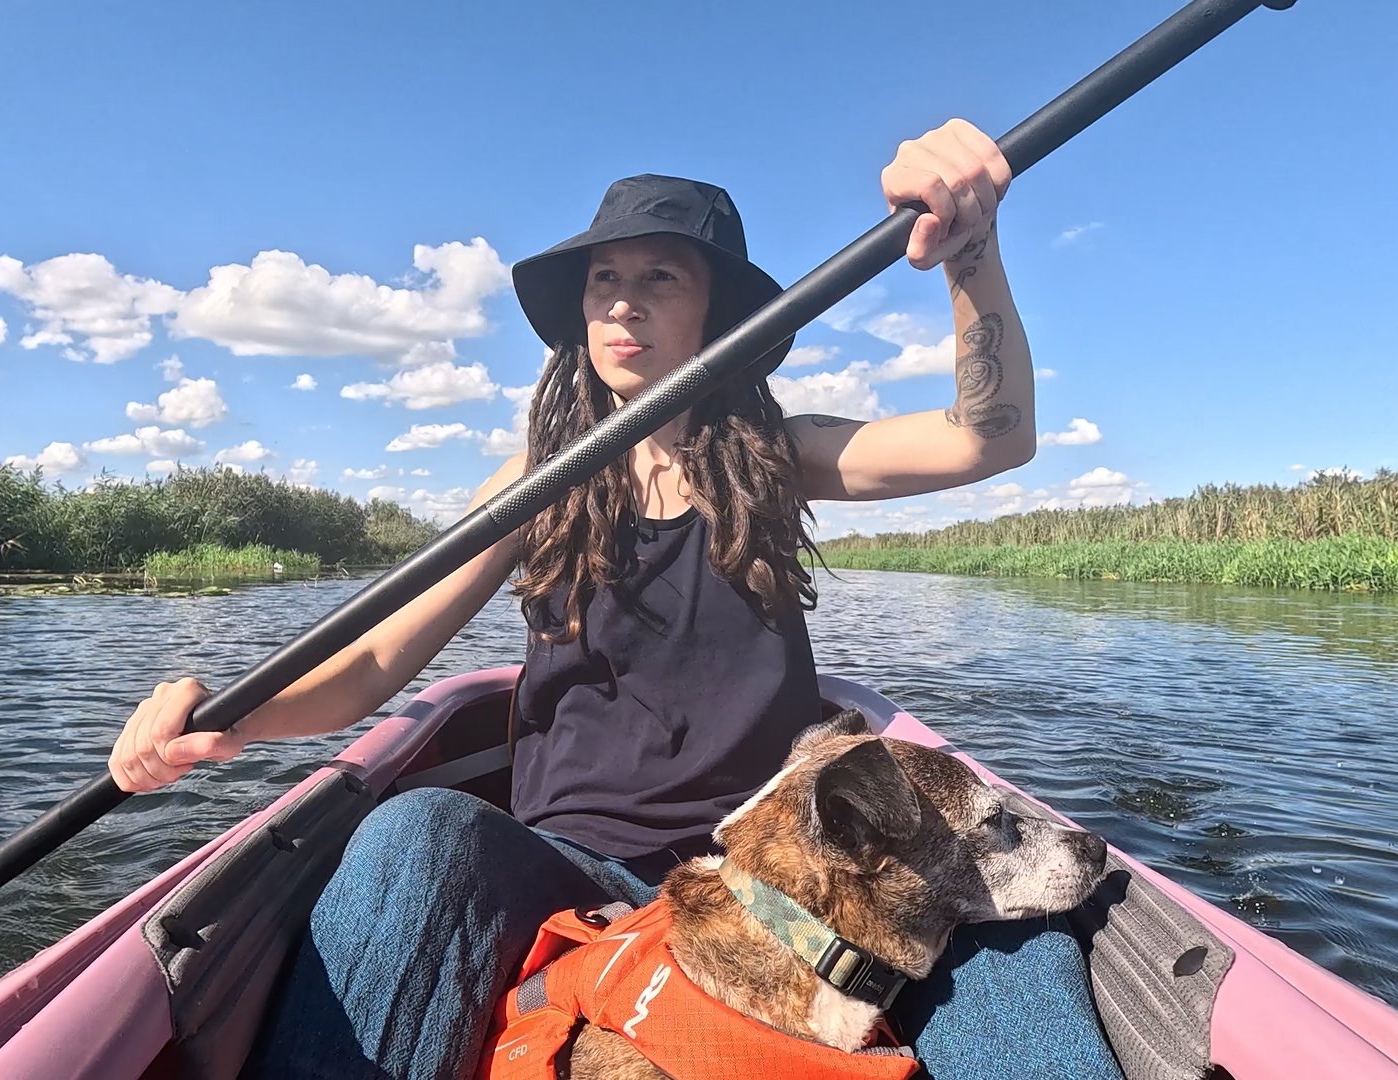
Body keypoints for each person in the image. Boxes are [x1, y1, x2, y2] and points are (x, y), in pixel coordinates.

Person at [108, 117, 1122, 1080]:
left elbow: (987, 438)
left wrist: (969, 247)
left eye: (658, 278)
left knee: (1012, 926)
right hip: (568, 863)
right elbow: (372, 662)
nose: (622, 304)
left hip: (775, 870)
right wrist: (227, 717)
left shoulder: (781, 455)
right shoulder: (536, 483)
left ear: (718, 313)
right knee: (417, 831)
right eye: (605, 280)